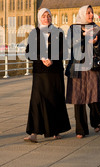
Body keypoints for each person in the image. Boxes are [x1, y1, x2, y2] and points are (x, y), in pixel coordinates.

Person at [24, 8, 71, 143]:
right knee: (37, 100)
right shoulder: (35, 33)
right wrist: (42, 58)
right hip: (40, 72)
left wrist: (52, 59)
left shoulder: (58, 32)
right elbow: (28, 53)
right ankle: (34, 132)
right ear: (40, 18)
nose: (47, 18)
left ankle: (55, 130)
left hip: (55, 72)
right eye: (44, 16)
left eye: (49, 16)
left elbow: (64, 51)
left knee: (55, 99)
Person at [65, 5, 100, 138]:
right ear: (82, 14)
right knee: (78, 98)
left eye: (92, 12)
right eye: (88, 13)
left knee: (94, 97)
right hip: (77, 67)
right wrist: (82, 36)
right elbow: (69, 44)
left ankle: (96, 121)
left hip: (92, 68)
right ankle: (81, 130)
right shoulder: (73, 28)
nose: (91, 15)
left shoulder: (98, 29)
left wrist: (95, 44)